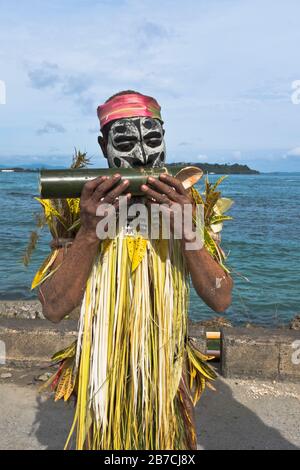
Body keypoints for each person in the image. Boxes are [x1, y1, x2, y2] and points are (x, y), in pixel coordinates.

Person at [36, 90, 233, 450]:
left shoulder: (189, 205)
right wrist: (88, 233)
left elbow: (220, 297)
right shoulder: (80, 209)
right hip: (103, 381)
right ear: (103, 146)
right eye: (125, 142)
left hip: (167, 377)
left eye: (154, 140)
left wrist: (189, 232)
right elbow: (52, 308)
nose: (142, 155)